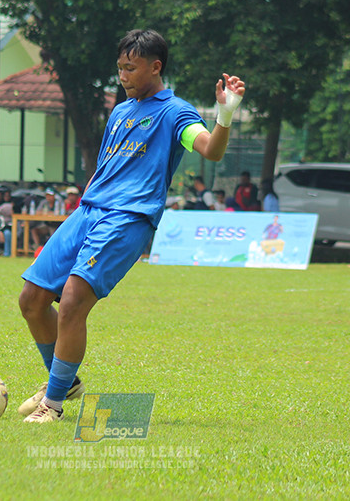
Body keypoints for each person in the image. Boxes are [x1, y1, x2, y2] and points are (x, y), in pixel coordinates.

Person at [17, 28, 245, 423]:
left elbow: (211, 149)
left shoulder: (176, 113)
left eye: (131, 68)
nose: (123, 76)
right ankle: (65, 382)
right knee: (31, 300)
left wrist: (224, 114)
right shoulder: (121, 111)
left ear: (155, 67)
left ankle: (51, 404)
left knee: (72, 303)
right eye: (120, 68)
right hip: (88, 211)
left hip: (128, 218)